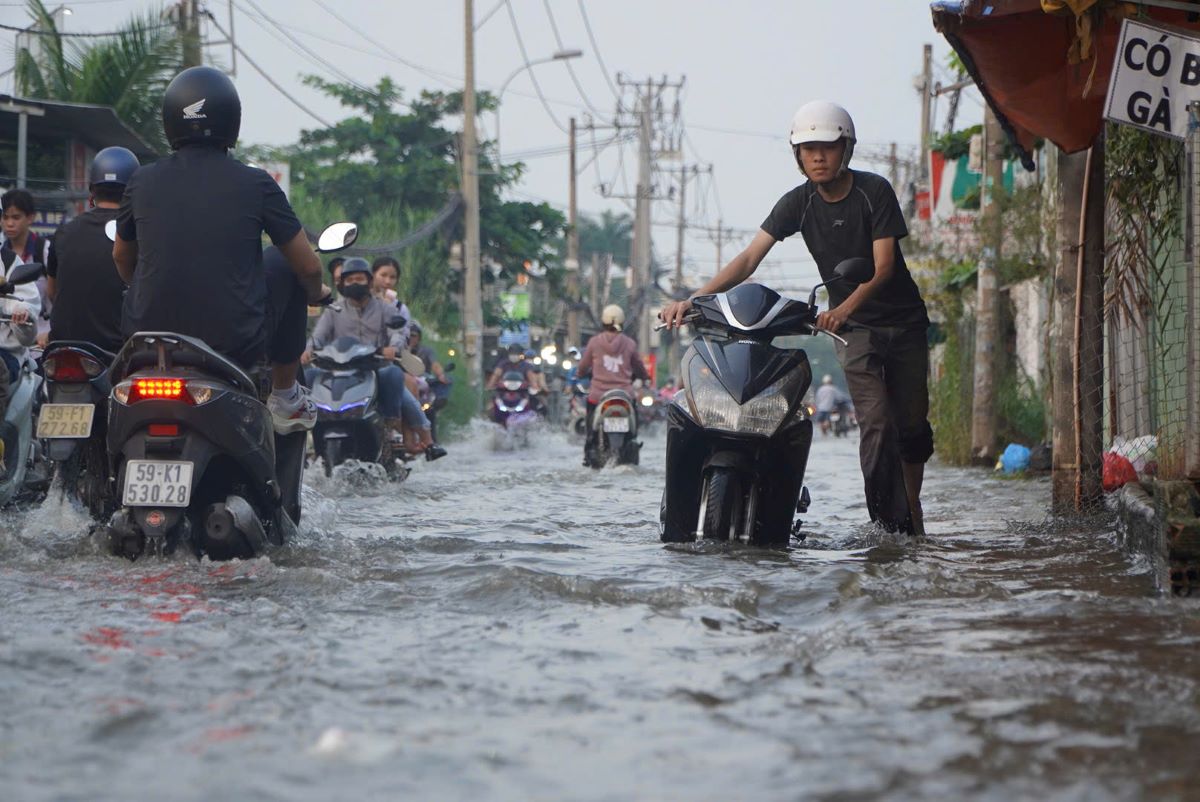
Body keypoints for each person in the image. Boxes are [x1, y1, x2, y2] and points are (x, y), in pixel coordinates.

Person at [660, 101, 933, 536]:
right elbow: (749, 258)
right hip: (855, 333)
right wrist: (693, 299)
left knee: (912, 427)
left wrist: (840, 310)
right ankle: (889, 528)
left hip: (902, 323)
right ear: (798, 156)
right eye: (808, 150)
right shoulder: (798, 203)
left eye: (827, 147)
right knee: (877, 423)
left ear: (846, 149)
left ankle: (912, 506)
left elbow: (883, 267)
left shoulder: (874, 191)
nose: (818, 157)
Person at [113, 66, 330, 435]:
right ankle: (284, 396)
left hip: (147, 340)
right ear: (232, 120)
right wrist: (315, 292)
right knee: (286, 263)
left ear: (170, 121)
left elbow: (121, 257)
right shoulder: (257, 183)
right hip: (234, 342)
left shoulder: (141, 180)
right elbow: (308, 267)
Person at [304, 258, 446, 460]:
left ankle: (414, 434)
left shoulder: (385, 309)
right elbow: (317, 337)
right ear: (342, 283)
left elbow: (398, 332)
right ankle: (300, 431)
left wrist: (393, 348)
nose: (355, 283)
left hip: (373, 367)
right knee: (309, 376)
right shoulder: (333, 311)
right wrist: (308, 350)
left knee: (393, 375)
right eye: (350, 280)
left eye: (359, 279)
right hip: (338, 370)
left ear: (369, 282)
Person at [46, 147, 140, 354]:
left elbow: (53, 293)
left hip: (63, 347)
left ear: (92, 191)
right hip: (119, 352)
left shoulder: (64, 232)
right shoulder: (139, 233)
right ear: (132, 192)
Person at [577, 304, 649, 465]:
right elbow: (639, 367)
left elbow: (583, 366)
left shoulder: (594, 342)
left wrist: (580, 374)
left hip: (598, 395)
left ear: (603, 322)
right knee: (634, 419)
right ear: (621, 322)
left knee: (590, 427)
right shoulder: (630, 343)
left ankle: (589, 445)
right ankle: (633, 438)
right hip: (625, 395)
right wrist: (644, 377)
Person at [1, 189, 51, 342]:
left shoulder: (45, 251)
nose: (9, 224)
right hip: (8, 338)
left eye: (16, 217)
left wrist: (51, 334)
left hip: (42, 336)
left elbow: (59, 296)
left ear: (30, 217)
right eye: (5, 217)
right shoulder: (3, 256)